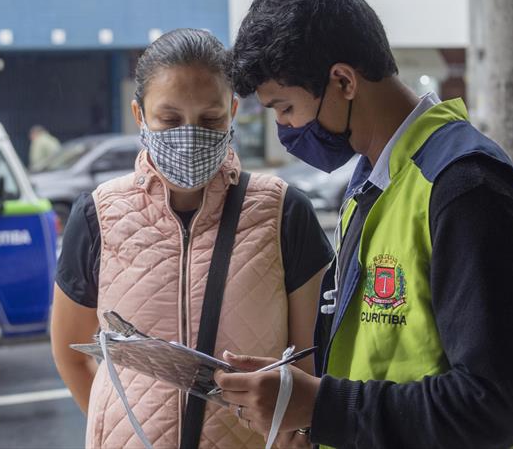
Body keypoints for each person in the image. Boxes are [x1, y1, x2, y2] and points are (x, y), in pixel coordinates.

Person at [216, 0, 513, 449]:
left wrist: (322, 406)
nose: (285, 129)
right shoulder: (373, 182)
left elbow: (499, 405)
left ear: (343, 81)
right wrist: (305, 410)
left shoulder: (465, 189)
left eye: (286, 108)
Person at [50, 28, 333, 448]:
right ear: (139, 114)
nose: (190, 136)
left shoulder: (283, 212)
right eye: (169, 119)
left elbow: (311, 361)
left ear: (232, 111)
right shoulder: (98, 215)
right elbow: (70, 354)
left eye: (210, 119)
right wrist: (115, 433)